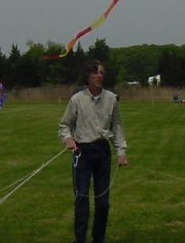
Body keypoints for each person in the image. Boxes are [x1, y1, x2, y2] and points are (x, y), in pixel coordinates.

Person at [58, 60, 128, 243]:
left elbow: (116, 125)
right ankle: (80, 239)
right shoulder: (76, 100)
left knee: (102, 201)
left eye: (102, 72)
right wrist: (68, 139)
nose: (99, 75)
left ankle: (98, 238)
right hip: (81, 153)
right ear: (87, 76)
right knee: (81, 197)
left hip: (102, 152)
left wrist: (121, 151)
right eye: (96, 72)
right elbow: (65, 126)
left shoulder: (111, 99)